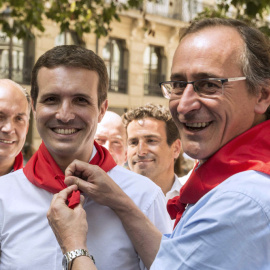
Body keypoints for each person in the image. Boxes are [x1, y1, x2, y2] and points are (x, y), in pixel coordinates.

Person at [47, 18, 270, 269]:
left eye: (209, 85)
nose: (184, 105)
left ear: (262, 95)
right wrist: (120, 201)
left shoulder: (240, 201)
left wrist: (73, 245)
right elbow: (172, 261)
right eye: (177, 85)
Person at [0, 45, 171, 270]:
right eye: (51, 99)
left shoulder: (143, 197)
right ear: (34, 106)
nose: (64, 115)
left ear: (102, 109)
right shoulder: (3, 195)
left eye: (80, 100)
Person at [122, 103, 189, 201]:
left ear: (176, 148)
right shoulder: (110, 201)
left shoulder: (196, 201)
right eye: (133, 142)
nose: (141, 152)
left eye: (151, 141)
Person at [0, 79, 30, 175]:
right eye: (0, 116)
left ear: (26, 128)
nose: (9, 129)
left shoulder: (36, 188)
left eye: (19, 119)